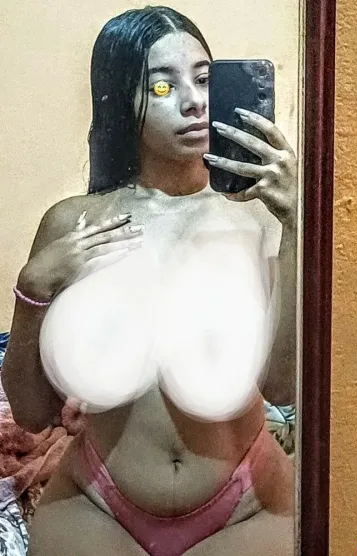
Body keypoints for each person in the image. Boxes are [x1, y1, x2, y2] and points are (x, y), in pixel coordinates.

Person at [2, 6, 298, 555]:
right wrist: (32, 290)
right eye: (162, 86)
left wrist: (299, 223)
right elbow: (32, 414)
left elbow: (282, 387)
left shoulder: (260, 216)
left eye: (205, 79)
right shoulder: (75, 223)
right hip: (97, 503)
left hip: (248, 503)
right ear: (121, 100)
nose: (194, 101)